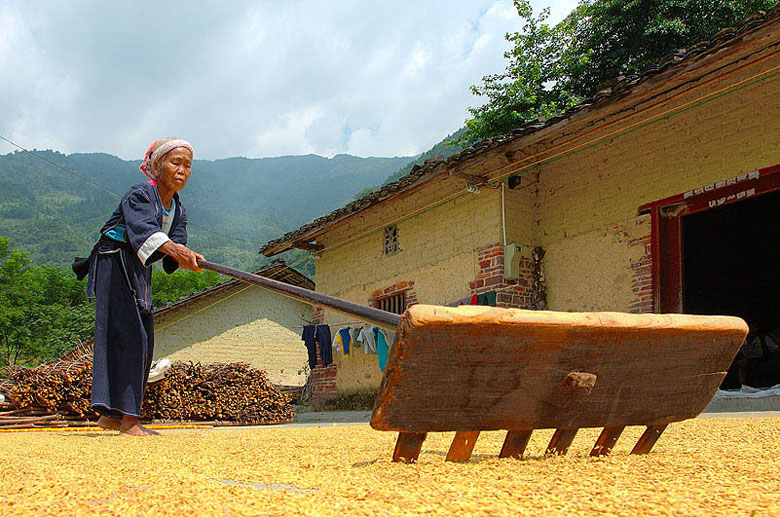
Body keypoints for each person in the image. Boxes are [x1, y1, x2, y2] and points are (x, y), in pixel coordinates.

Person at [84, 138, 204, 436]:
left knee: (143, 338)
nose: (182, 171)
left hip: (139, 268)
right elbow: (146, 233)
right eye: (175, 163)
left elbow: (176, 243)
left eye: (187, 166)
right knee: (130, 337)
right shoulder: (140, 193)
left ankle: (111, 416)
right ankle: (129, 420)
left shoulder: (177, 208)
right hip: (115, 262)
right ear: (156, 165)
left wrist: (186, 256)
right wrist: (176, 252)